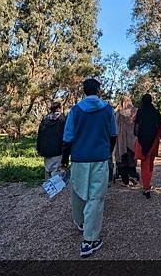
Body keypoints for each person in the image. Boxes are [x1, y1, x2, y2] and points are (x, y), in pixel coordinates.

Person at [61, 78, 117, 258]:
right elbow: (113, 135)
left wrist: (64, 159)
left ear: (84, 91)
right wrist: (108, 151)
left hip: (79, 159)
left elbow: (68, 138)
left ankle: (81, 222)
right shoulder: (108, 109)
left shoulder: (75, 110)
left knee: (78, 192)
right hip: (99, 159)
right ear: (98, 90)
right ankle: (89, 241)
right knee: (96, 198)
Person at [134, 94, 161, 199]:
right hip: (153, 142)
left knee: (144, 164)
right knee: (150, 164)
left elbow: (136, 128)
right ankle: (147, 186)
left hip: (142, 141)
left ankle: (146, 186)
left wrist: (138, 136)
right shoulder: (156, 113)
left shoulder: (140, 112)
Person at [114, 96, 140, 186]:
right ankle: (133, 175)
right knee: (132, 158)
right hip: (132, 139)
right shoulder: (135, 111)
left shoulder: (119, 112)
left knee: (122, 159)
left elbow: (115, 124)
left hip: (121, 140)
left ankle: (125, 180)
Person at [36, 102, 66, 179]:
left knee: (48, 170)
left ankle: (48, 188)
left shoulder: (45, 119)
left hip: (46, 150)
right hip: (58, 149)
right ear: (59, 108)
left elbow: (40, 135)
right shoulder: (62, 119)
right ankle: (56, 190)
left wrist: (39, 148)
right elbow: (67, 134)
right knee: (56, 172)